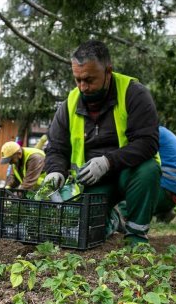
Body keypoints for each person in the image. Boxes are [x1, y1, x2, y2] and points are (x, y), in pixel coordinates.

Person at [43, 40, 160, 245]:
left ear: (108, 71)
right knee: (81, 232)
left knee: (149, 170)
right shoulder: (69, 104)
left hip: (129, 174)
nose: (83, 87)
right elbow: (56, 147)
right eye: (78, 80)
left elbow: (147, 142)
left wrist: (107, 161)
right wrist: (55, 170)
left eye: (89, 80)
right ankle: (112, 220)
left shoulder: (134, 93)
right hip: (93, 182)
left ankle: (135, 235)